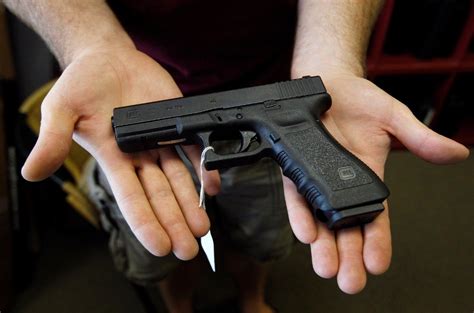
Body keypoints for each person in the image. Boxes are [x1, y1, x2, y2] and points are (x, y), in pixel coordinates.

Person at [4, 0, 469, 312]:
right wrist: (92, 42)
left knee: (262, 239)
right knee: (168, 246)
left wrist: (332, 56)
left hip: (278, 82)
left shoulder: (283, 115)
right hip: (156, 87)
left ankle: (253, 298)